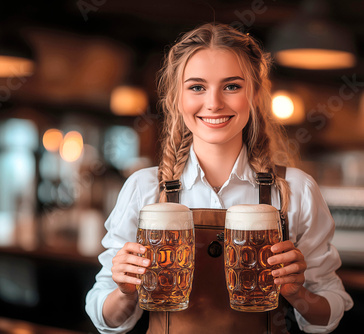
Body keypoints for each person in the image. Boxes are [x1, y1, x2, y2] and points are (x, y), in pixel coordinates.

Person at [85, 23, 353, 333]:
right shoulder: (144, 188)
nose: (213, 103)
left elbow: (328, 313)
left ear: (254, 95)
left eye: (232, 86)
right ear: (177, 97)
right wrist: (124, 291)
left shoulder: (296, 190)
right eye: (197, 87)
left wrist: (297, 293)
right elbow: (106, 320)